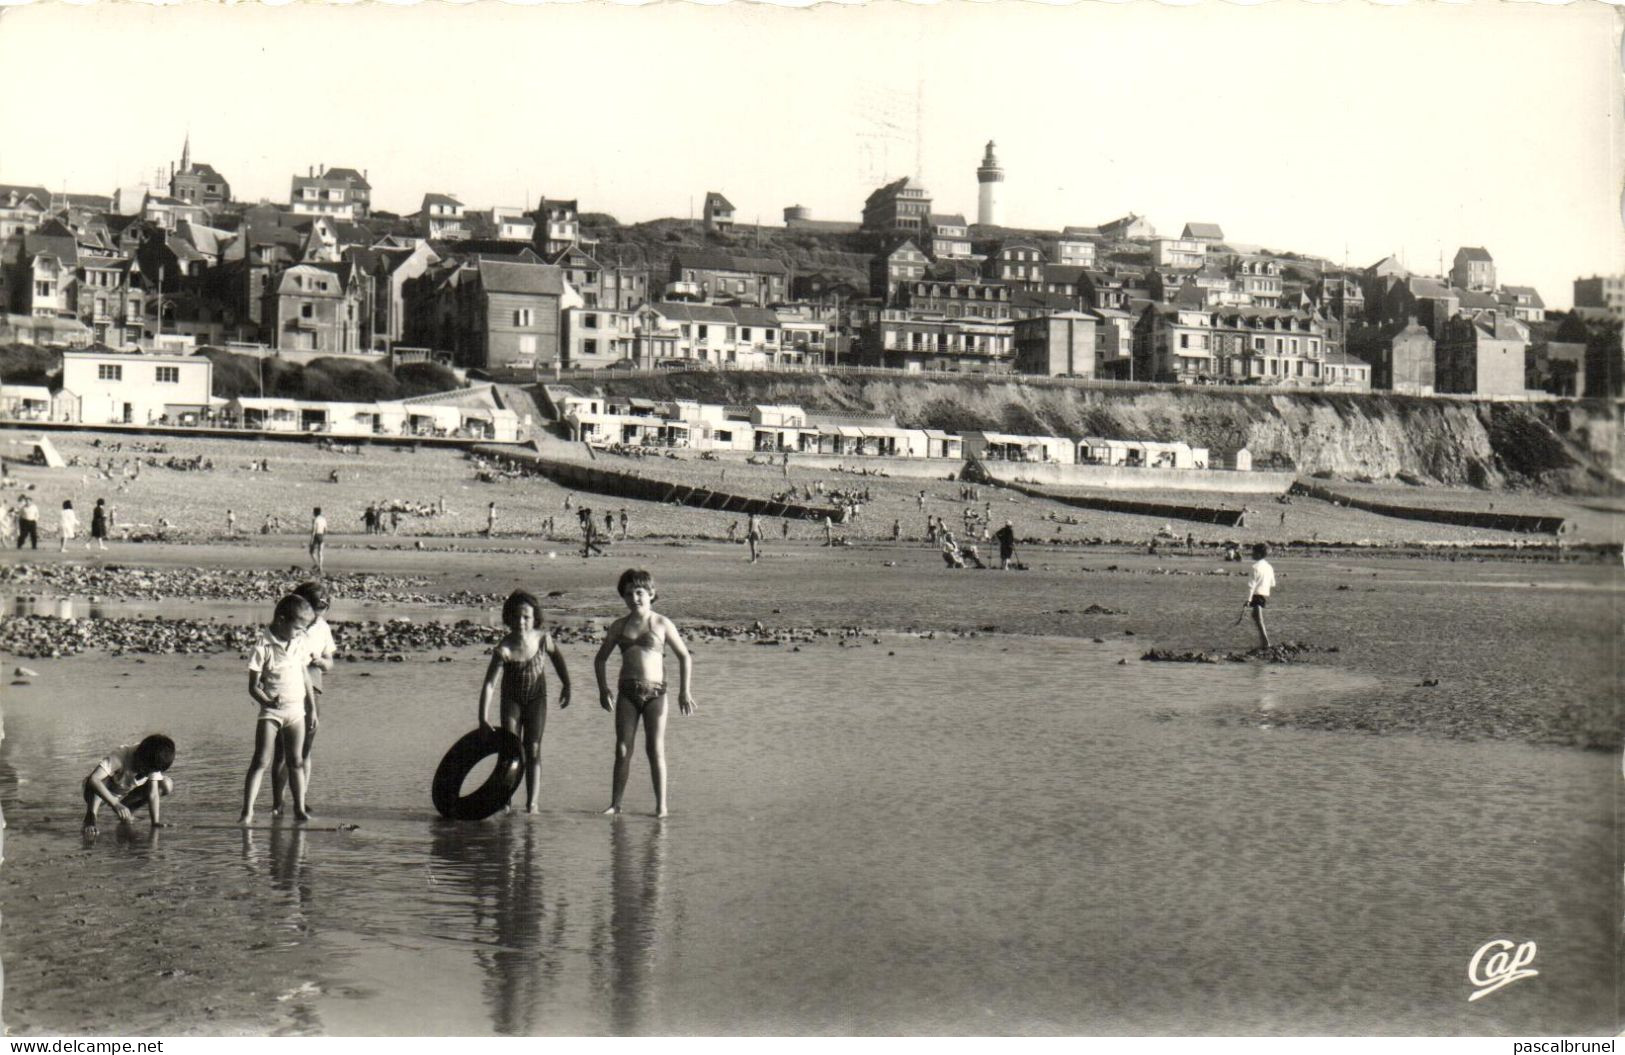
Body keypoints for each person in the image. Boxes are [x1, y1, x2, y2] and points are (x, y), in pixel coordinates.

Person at [593, 569, 695, 817]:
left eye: (639, 593)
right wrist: (602, 688)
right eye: (628, 594)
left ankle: (661, 807)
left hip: (656, 694)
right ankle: (615, 804)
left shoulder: (661, 623)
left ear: (651, 593)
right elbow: (600, 659)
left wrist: (685, 692)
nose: (634, 598)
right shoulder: (619, 626)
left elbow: (684, 657)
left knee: (654, 749)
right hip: (627, 693)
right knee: (622, 749)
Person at [478, 589, 572, 814]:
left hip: (536, 700)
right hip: (512, 702)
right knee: (510, 750)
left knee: (533, 749)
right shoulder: (504, 649)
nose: (521, 621)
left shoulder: (542, 639)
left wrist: (567, 684)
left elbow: (558, 658)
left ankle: (532, 804)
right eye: (516, 617)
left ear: (535, 618)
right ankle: (505, 801)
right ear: (508, 618)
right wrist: (482, 718)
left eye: (526, 617)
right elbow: (489, 684)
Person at [240, 594, 316, 825]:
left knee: (296, 761)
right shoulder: (262, 646)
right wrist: (266, 702)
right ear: (281, 620)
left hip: (297, 712)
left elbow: (305, 677)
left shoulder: (299, 643)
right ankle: (247, 812)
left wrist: (311, 708)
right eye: (297, 628)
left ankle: (299, 809)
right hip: (271, 713)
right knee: (261, 760)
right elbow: (253, 687)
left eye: (303, 629)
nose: (300, 633)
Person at [272, 582, 336, 815]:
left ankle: (301, 798)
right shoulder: (289, 625)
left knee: (304, 750)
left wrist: (321, 662)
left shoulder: (322, 628)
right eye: (313, 616)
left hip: (313, 691)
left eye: (319, 616)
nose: (315, 620)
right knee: (282, 750)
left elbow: (330, 662)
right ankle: (278, 802)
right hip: (288, 689)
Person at [82, 734, 175, 836]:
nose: (144, 773)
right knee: (101, 777)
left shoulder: (153, 759)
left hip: (124, 792)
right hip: (97, 792)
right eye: (143, 769)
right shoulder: (121, 756)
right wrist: (115, 804)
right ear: (138, 755)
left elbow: (153, 794)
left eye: (148, 771)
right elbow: (93, 779)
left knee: (166, 784)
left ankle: (128, 809)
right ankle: (91, 817)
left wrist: (155, 823)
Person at [1243, 542, 1275, 649]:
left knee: (1258, 618)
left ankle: (1265, 641)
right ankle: (1263, 641)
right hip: (1264, 594)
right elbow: (1273, 583)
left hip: (1256, 595)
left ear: (1259, 554)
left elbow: (1251, 585)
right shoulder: (1269, 566)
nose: (1251, 554)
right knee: (1255, 616)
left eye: (1253, 552)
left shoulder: (1254, 567)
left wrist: (1248, 599)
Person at [309, 507, 327, 574]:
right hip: (321, 535)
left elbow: (313, 530)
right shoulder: (323, 519)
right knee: (320, 552)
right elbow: (325, 529)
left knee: (311, 551)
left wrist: (311, 539)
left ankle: (317, 564)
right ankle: (321, 567)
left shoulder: (315, 519)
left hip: (316, 535)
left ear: (315, 512)